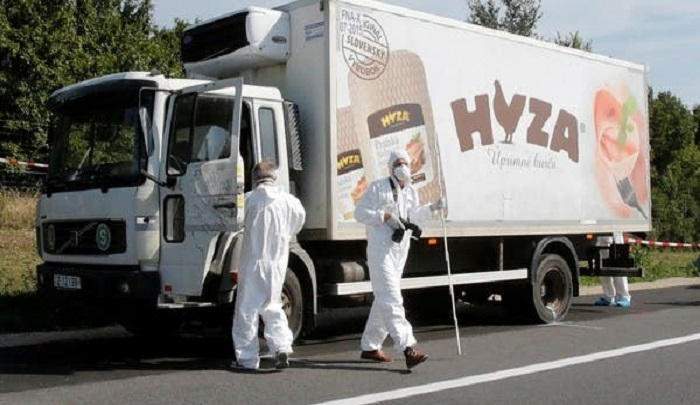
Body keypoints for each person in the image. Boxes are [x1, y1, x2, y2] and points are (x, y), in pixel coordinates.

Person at [354, 150, 444, 369]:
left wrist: (432, 208)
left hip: (400, 251)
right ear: (390, 167)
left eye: (405, 163)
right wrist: (384, 216)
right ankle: (408, 348)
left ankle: (370, 346)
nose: (402, 167)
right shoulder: (378, 187)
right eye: (398, 163)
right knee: (392, 298)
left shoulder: (411, 191)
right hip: (380, 251)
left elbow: (414, 216)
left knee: (383, 299)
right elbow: (360, 212)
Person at [232, 161, 306, 371]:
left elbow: (236, 223)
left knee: (247, 311)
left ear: (255, 178)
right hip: (277, 263)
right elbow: (298, 223)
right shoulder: (290, 201)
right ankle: (281, 347)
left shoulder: (248, 200)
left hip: (253, 262)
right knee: (273, 306)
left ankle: (247, 359)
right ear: (275, 176)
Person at [594, 232, 632, 308]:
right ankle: (609, 296)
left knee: (618, 268)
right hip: (601, 237)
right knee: (602, 268)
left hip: (615, 237)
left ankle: (624, 296)